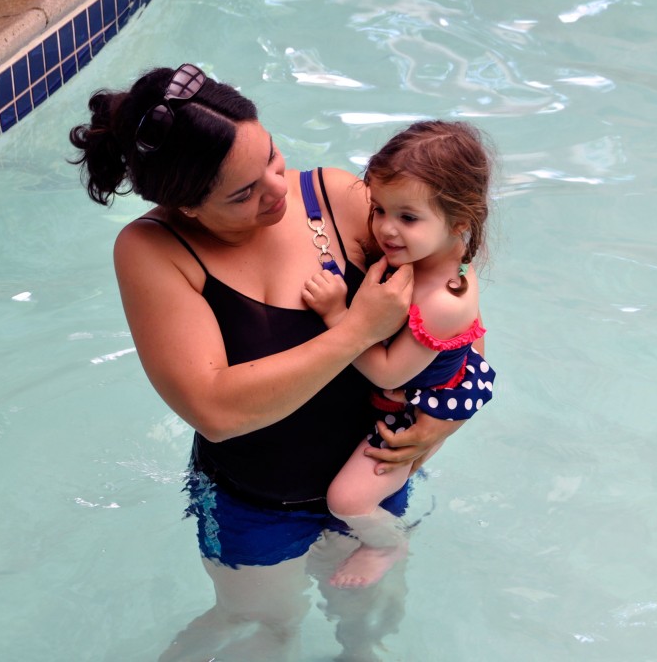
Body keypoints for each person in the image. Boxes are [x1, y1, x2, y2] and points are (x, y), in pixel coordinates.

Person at [69, 64, 491, 662]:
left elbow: (451, 306)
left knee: (367, 619)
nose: (278, 190)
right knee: (261, 626)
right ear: (184, 204)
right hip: (253, 501)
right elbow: (214, 408)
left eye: (271, 157)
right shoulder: (153, 251)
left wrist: (447, 419)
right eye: (243, 193)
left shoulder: (338, 199)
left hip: (370, 477)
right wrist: (357, 330)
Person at [302, 120, 497, 590]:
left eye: (407, 218)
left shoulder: (442, 299)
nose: (385, 229)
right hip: (424, 377)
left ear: (459, 222)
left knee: (346, 501)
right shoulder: (429, 258)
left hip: (421, 401)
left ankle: (387, 542)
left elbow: (387, 373)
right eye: (379, 209)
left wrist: (337, 317)